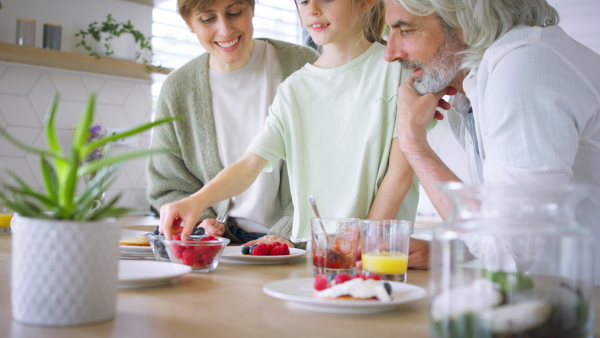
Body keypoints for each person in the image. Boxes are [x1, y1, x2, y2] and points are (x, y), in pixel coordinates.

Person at [159, 0, 424, 262]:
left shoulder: (397, 71)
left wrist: (364, 243)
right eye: (304, 1)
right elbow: (250, 163)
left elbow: (400, 174)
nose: (313, 9)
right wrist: (196, 201)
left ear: (366, 2)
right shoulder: (294, 88)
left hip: (381, 251)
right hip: (322, 255)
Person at [384, 0, 600, 277]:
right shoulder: (471, 91)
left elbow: (507, 248)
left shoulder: (524, 66)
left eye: (406, 30)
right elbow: (506, 228)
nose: (390, 53)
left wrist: (412, 141)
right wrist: (447, 252)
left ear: (465, 22)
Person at [147, 0, 319, 247]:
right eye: (207, 19)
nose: (225, 30)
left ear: (252, 8)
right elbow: (167, 185)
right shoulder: (177, 89)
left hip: (296, 244)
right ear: (189, 23)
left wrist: (285, 232)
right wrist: (202, 220)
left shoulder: (302, 65)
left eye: (235, 12)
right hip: (219, 248)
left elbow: (325, 167)